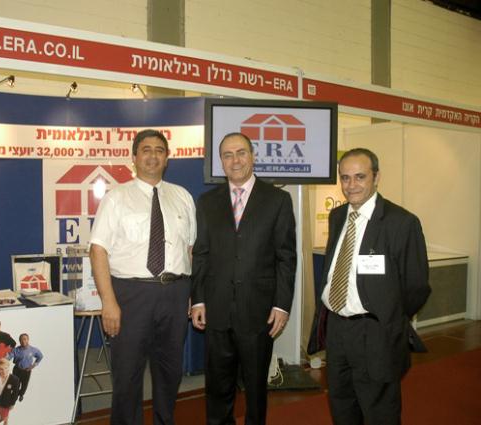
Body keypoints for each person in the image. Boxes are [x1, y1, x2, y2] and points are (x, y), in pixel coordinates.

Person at [308, 148, 431, 425]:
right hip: (336, 329)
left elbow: (416, 287)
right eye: (345, 178)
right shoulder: (338, 216)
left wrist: (387, 318)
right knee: (342, 404)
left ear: (376, 177)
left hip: (375, 333)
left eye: (360, 177)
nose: (351, 185)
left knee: (379, 411)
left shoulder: (401, 223)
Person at [90, 129, 196, 425]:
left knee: (170, 372)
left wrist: (190, 294)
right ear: (134, 157)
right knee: (127, 375)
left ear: (167, 158)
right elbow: (98, 250)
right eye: (146, 150)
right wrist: (108, 302)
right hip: (131, 295)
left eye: (159, 150)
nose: (153, 156)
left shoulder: (183, 197)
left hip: (175, 293)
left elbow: (190, 249)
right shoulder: (116, 198)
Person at [191, 132, 297, 425]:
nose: (235, 160)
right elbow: (201, 253)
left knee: (255, 388)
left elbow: (286, 257)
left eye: (241, 153)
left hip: (258, 312)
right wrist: (198, 299)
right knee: (217, 387)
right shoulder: (207, 201)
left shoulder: (278, 200)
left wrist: (282, 305)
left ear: (253, 156)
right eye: (227, 155)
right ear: (221, 161)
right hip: (216, 310)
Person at [7, 333, 43, 401]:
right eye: (21, 340)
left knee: (24, 385)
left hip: (27, 371)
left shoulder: (33, 350)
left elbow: (40, 356)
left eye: (25, 339)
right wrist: (5, 357)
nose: (23, 341)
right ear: (19, 341)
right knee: (15, 384)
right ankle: (14, 396)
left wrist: (33, 366)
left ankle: (21, 394)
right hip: (17, 370)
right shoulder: (16, 350)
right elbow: (9, 357)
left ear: (28, 340)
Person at [0, 357, 20, 425]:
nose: (4, 371)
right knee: (2, 414)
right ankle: (1, 418)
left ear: (9, 367)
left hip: (7, 403)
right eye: (1, 369)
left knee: (5, 418)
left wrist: (12, 404)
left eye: (6, 368)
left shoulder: (15, 379)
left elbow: (15, 393)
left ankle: (4, 420)